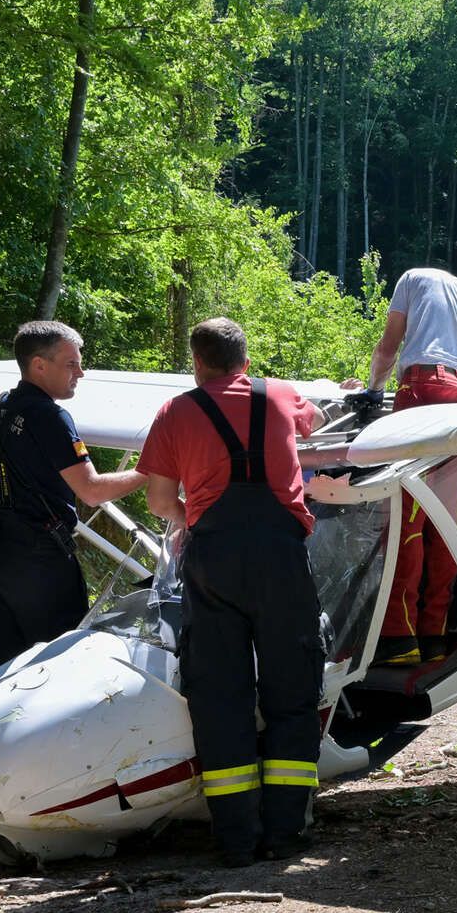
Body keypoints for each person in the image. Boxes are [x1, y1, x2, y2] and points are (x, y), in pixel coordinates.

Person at [141, 317, 323, 867]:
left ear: (197, 362)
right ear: (245, 359)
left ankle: (237, 839)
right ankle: (286, 832)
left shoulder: (175, 412)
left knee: (220, 695)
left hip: (213, 559)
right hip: (280, 557)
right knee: (291, 689)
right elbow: (312, 422)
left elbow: (156, 500)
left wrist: (188, 517)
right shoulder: (282, 395)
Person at [0, 320, 143, 670]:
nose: (81, 372)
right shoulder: (50, 416)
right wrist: (148, 471)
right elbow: (90, 491)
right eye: (71, 364)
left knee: (4, 668)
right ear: (39, 365)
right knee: (57, 665)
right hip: (38, 561)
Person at [348, 267, 457, 666]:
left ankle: (399, 637)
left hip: (424, 391)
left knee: (407, 516)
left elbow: (388, 347)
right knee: (447, 519)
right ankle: (435, 635)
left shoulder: (413, 279)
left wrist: (374, 390)